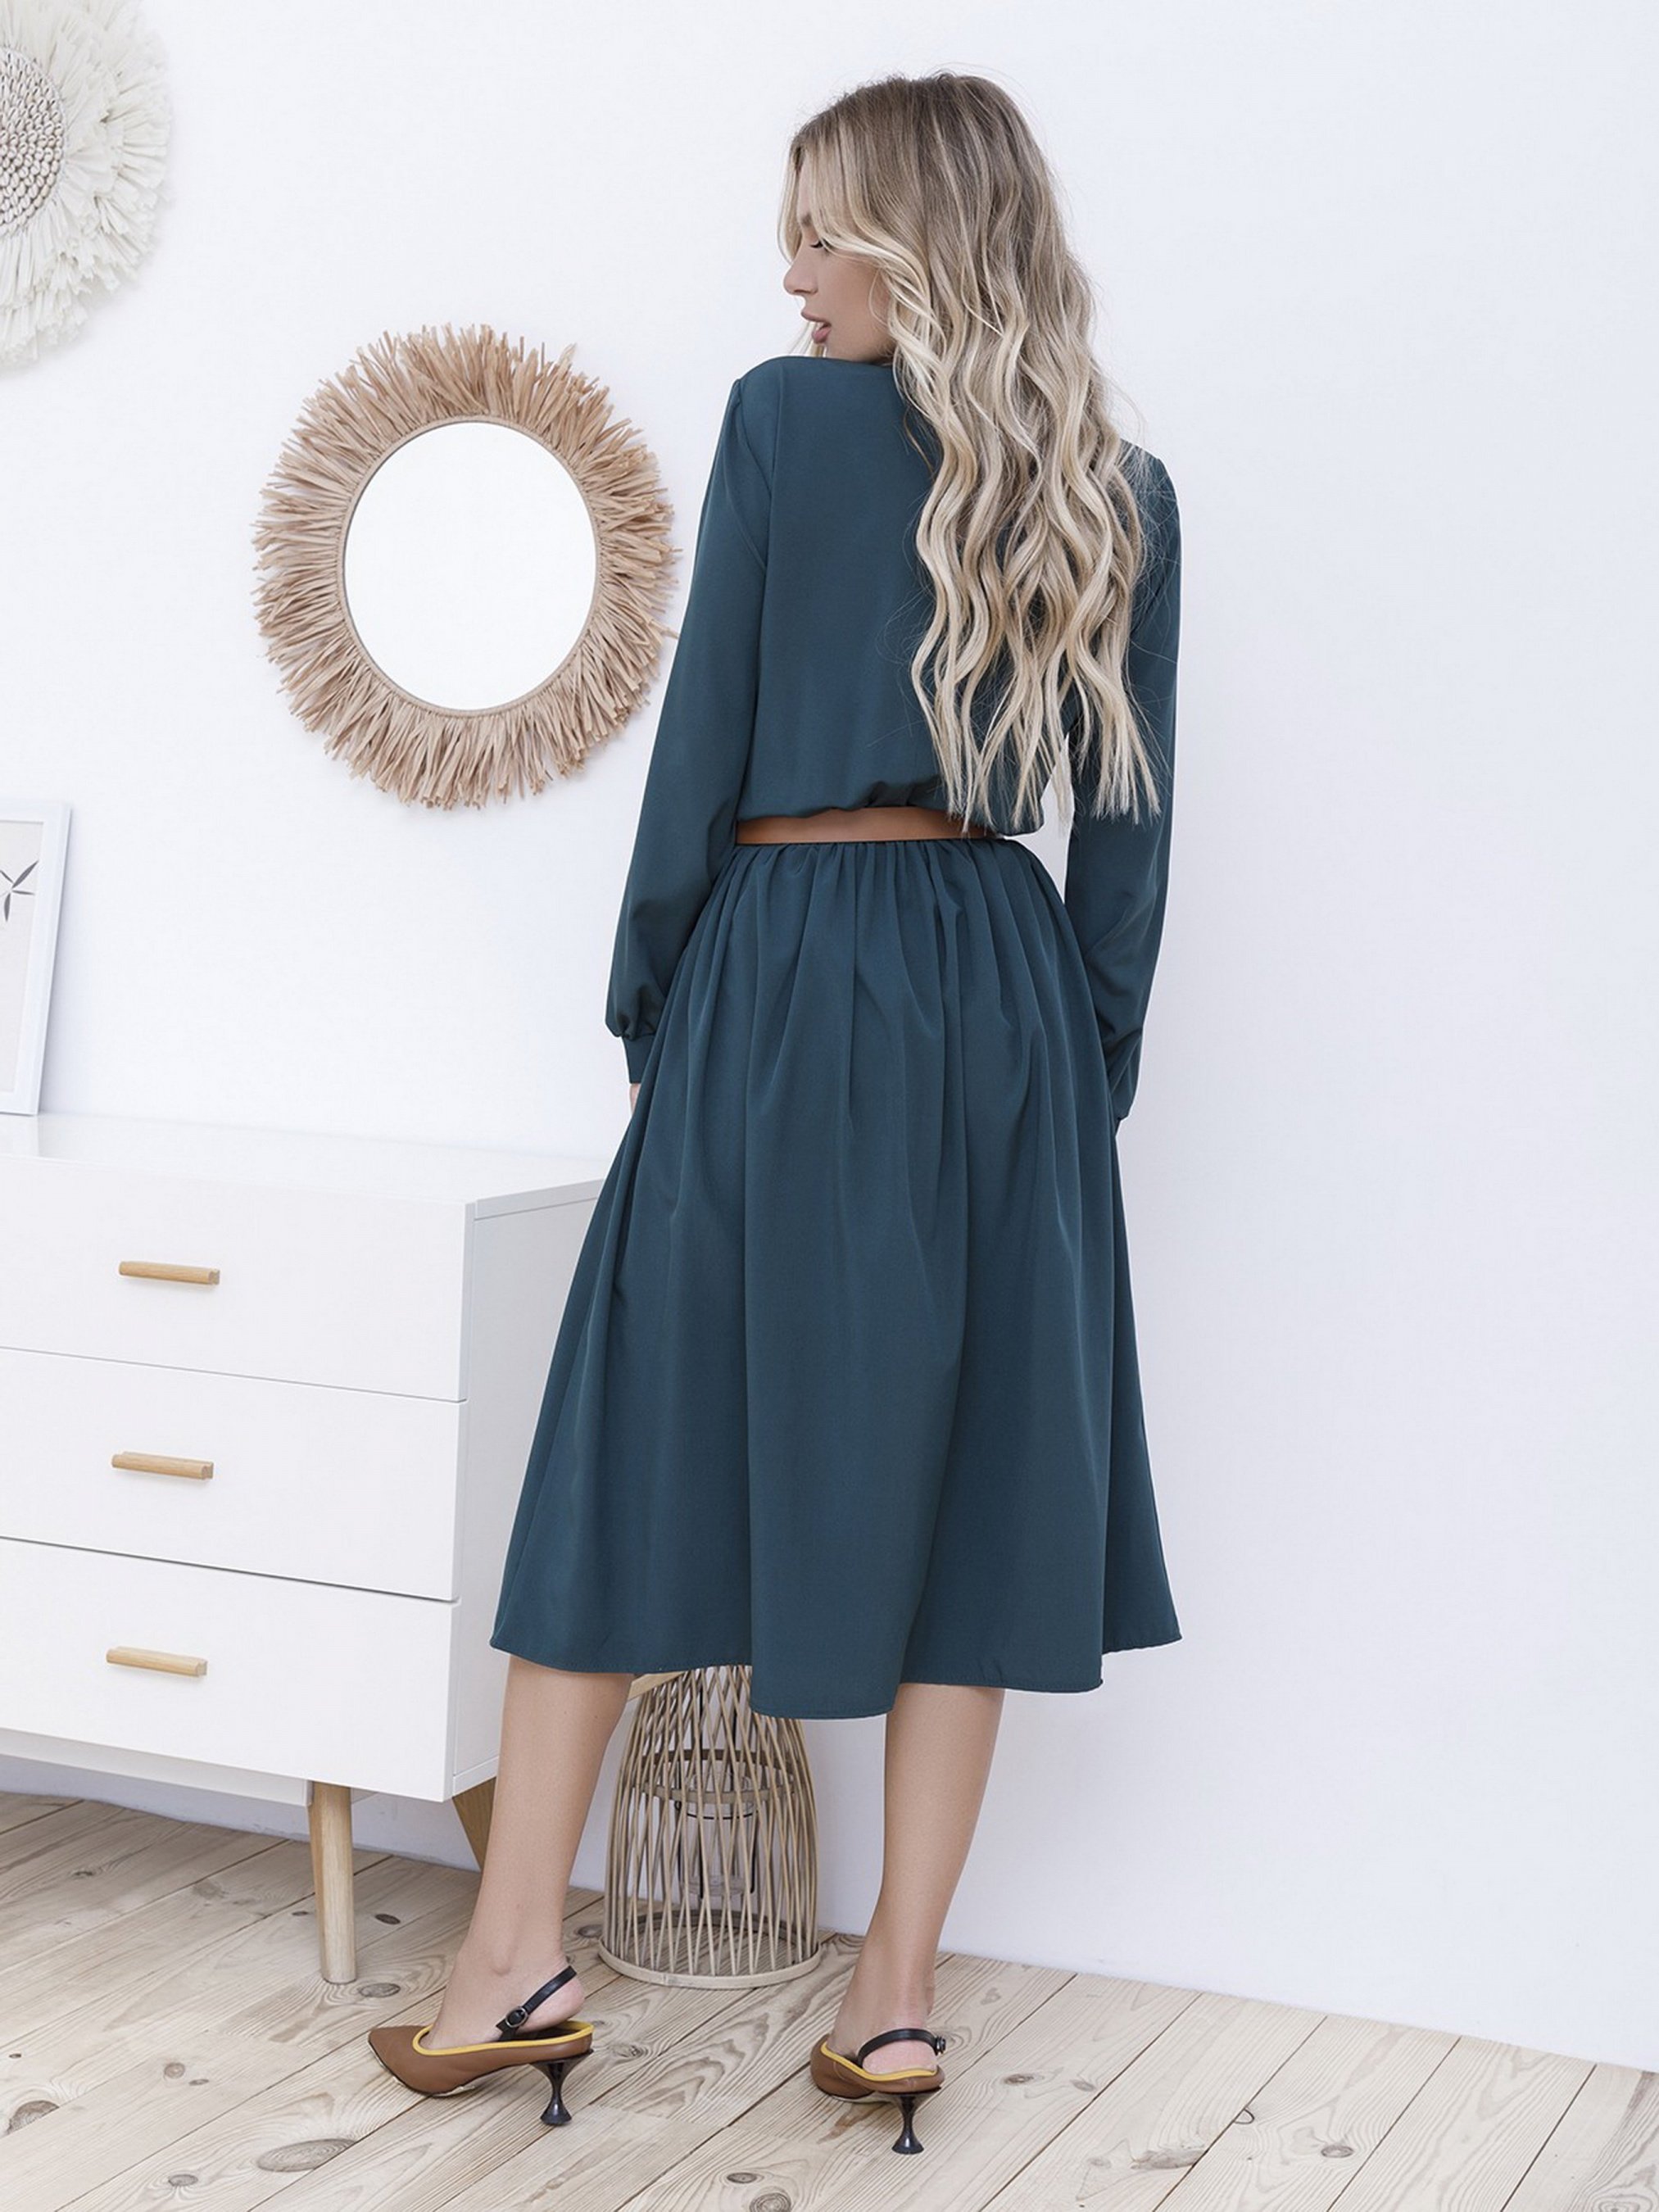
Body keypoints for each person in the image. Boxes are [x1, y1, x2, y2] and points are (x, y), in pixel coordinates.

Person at [368, 68, 1183, 2151]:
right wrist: (1072, 1081)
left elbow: (700, 749)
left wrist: (656, 1001)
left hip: (785, 960)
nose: (792, 272)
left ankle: (513, 1958)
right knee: (967, 1488)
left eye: (820, 229)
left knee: (619, 1451)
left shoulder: (780, 424)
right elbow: (1127, 844)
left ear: (913, 236)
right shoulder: (1119, 490)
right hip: (1000, 1000)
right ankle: (894, 2000)